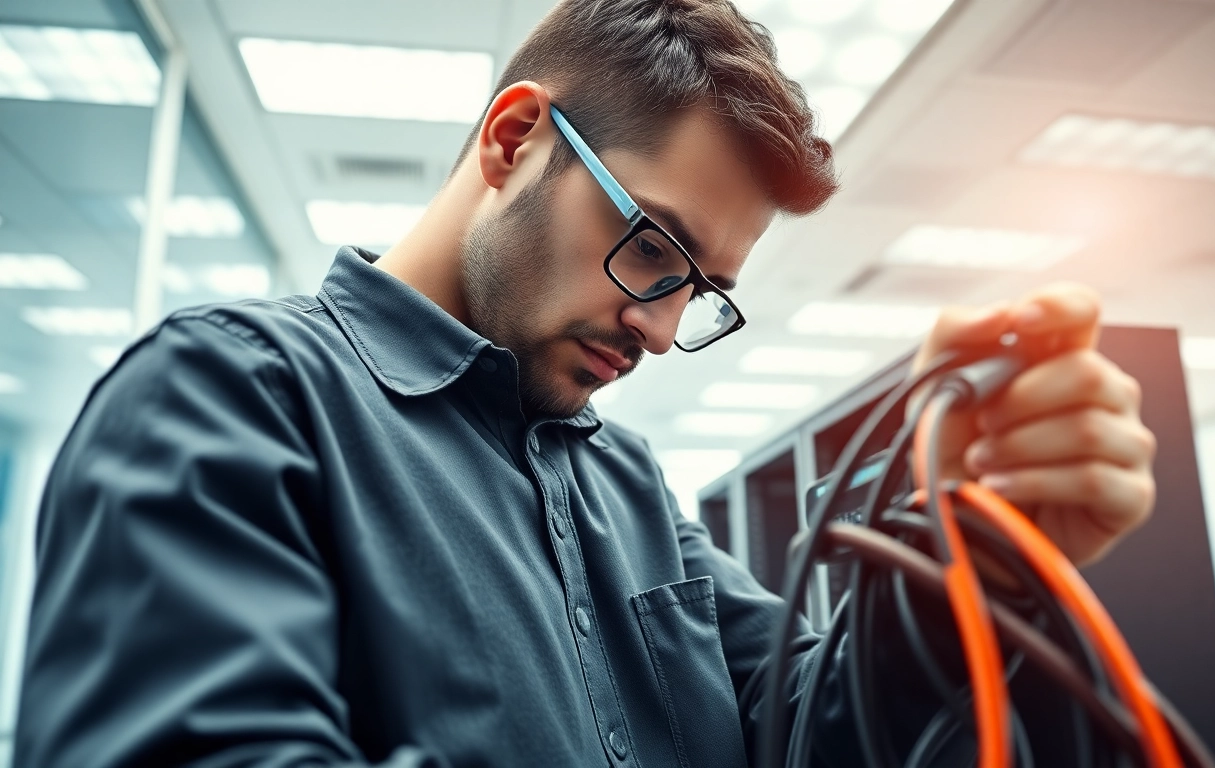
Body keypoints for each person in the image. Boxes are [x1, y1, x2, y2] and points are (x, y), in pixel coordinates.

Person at [14, 1, 1156, 766]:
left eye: (698, 288)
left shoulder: (621, 476)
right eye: (654, 247)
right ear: (514, 141)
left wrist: (977, 546)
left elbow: (795, 727)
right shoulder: (229, 398)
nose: (660, 332)